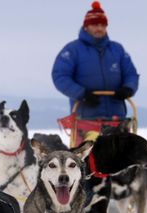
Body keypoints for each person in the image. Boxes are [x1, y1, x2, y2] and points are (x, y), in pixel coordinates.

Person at [52, 1, 139, 142]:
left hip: (117, 118)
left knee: (121, 161)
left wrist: (128, 88)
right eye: (95, 25)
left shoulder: (118, 50)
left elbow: (131, 74)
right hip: (86, 118)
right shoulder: (72, 50)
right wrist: (82, 93)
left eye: (102, 25)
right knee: (88, 160)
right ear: (86, 27)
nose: (99, 28)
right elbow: (60, 76)